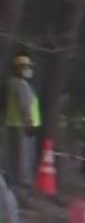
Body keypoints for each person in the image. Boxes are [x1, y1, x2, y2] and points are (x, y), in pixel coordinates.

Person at [4, 54, 40, 190]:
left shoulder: (12, 83)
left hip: (13, 123)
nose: (29, 69)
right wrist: (29, 123)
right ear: (19, 69)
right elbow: (25, 106)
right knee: (23, 156)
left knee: (14, 155)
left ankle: (14, 181)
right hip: (22, 125)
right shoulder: (22, 85)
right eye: (26, 67)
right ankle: (22, 183)